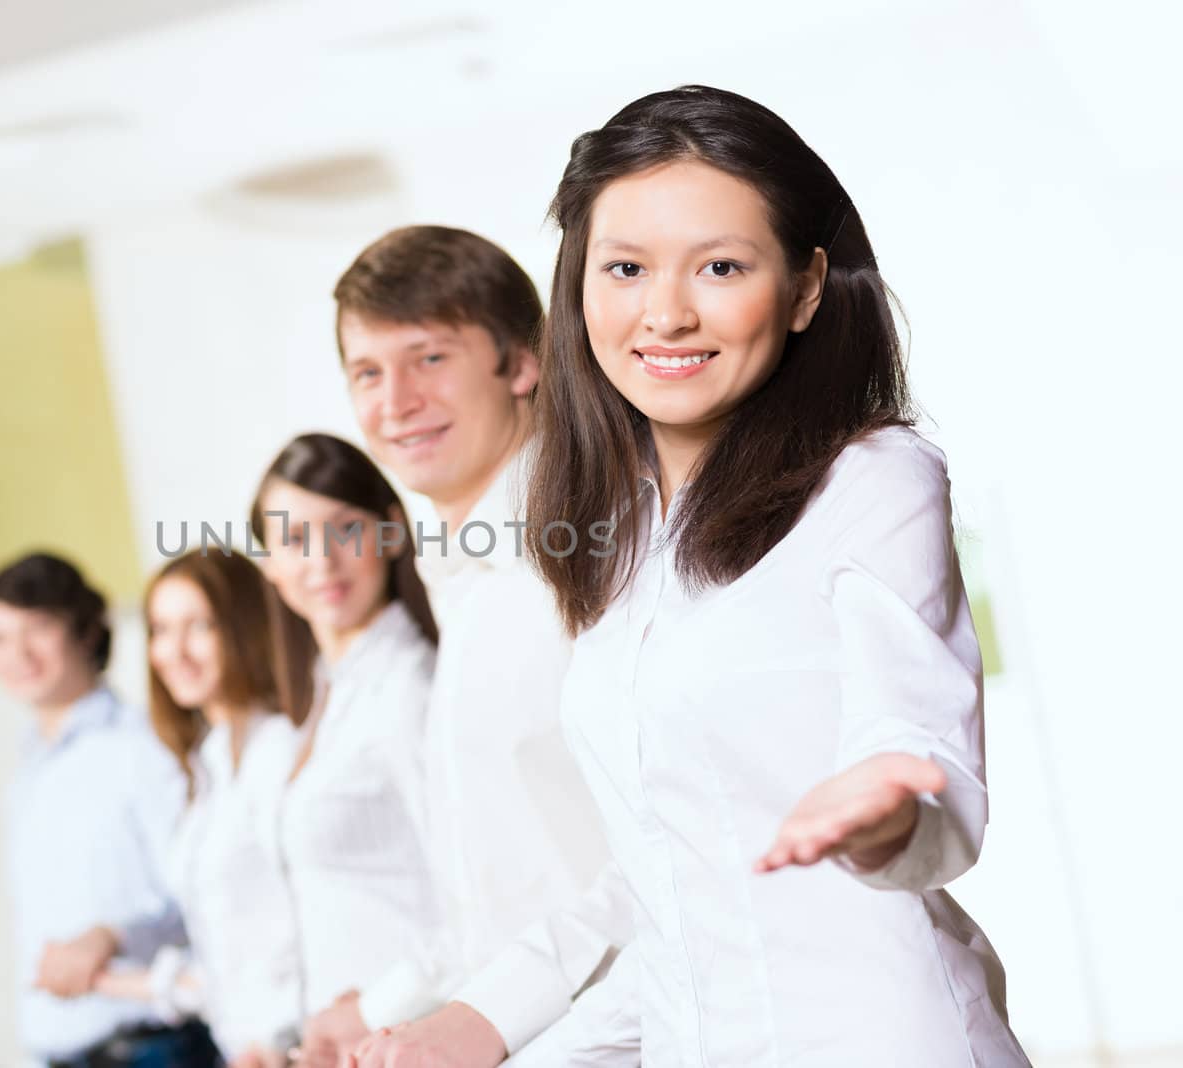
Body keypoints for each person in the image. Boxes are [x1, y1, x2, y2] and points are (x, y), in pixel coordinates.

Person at [368, 85, 1030, 1067]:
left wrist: (888, 811)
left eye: (720, 266)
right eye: (625, 268)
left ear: (805, 287)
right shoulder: (616, 536)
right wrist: (485, 1025)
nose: (665, 314)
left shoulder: (872, 478)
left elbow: (919, 747)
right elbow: (673, 901)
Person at [302, 226, 626, 1068]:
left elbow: (664, 858)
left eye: (429, 358)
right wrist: (381, 1007)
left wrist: (485, 1018)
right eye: (368, 372)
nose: (394, 402)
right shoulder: (466, 585)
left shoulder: (587, 556)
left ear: (521, 364)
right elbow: (503, 886)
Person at [0, 552, 207, 1068]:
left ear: (85, 631)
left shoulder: (143, 744)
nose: (18, 654)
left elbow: (201, 889)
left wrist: (111, 936)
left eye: (37, 628)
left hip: (151, 1046)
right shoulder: (28, 769)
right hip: (59, 1051)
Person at [247, 433, 442, 1053]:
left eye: (344, 529)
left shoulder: (409, 688)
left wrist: (381, 1006)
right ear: (271, 567)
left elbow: (480, 897)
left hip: (410, 1037)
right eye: (295, 539)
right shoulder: (320, 701)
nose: (322, 561)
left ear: (390, 532)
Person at [93, 548, 303, 1067]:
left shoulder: (280, 750)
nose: (173, 651)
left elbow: (309, 934)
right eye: (161, 630)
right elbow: (232, 963)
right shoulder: (208, 764)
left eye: (198, 627)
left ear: (243, 628)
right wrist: (112, 983)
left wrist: (281, 1040)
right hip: (246, 1051)